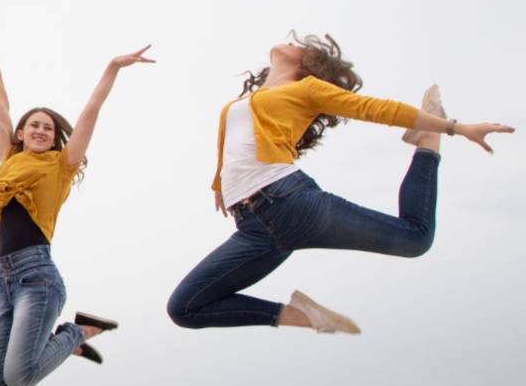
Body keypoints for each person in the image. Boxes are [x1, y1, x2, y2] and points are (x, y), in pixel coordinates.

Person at [167, 33, 514, 334]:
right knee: (184, 308)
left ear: (308, 64)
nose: (290, 41)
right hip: (255, 227)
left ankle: (427, 143)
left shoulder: (306, 89)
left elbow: (374, 109)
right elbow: (231, 143)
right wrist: (219, 185)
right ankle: (300, 316)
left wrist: (456, 128)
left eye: (298, 44)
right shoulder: (246, 101)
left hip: (290, 203)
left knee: (416, 238)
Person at [0, 43, 154, 386]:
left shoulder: (61, 166)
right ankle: (70, 341)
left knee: (20, 377)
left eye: (49, 129)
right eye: (34, 125)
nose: (41, 130)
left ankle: (77, 332)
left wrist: (112, 67)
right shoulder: (8, 159)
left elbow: (90, 113)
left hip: (37, 277)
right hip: (3, 279)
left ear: (55, 139)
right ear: (20, 133)